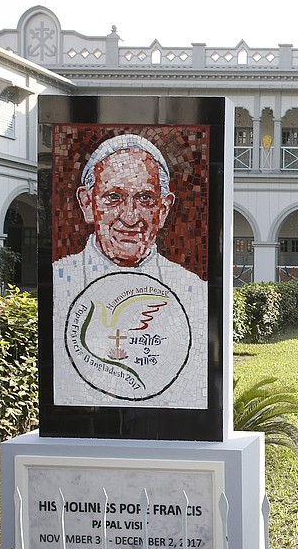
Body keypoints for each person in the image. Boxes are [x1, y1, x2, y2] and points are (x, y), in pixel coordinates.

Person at [52, 133, 206, 408]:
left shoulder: (194, 291)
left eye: (145, 198)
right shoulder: (58, 282)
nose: (130, 217)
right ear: (88, 204)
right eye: (113, 197)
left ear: (164, 208)